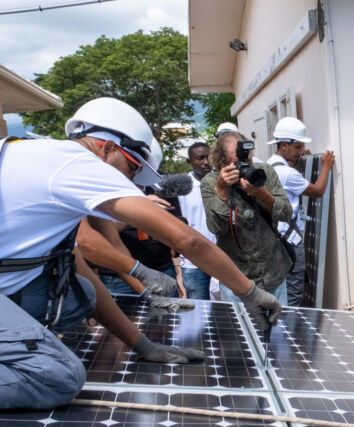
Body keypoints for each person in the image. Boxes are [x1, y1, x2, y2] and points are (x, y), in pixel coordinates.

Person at [0, 97, 281, 409]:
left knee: (83, 294)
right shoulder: (76, 163)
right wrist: (250, 292)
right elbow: (189, 241)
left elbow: (76, 262)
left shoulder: (37, 157)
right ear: (107, 148)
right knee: (58, 377)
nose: (130, 182)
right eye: (132, 168)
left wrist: (142, 344)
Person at [201, 131, 293, 305]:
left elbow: (286, 214)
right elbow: (216, 228)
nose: (245, 166)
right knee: (242, 331)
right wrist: (221, 191)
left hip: (273, 273)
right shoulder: (210, 182)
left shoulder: (265, 172)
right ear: (222, 164)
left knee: (279, 330)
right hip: (236, 280)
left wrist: (262, 194)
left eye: (248, 159)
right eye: (237, 163)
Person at [266, 117, 334, 306]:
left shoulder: (270, 165)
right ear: (285, 146)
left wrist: (297, 162)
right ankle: (290, 331)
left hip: (273, 240)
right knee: (294, 294)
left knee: (278, 292)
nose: (301, 152)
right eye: (297, 148)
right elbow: (318, 191)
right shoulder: (288, 174)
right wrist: (326, 167)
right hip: (291, 243)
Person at [177, 141, 216, 300]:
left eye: (209, 157)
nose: (206, 162)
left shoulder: (221, 182)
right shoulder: (183, 187)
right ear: (189, 161)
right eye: (200, 158)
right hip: (194, 262)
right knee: (200, 311)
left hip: (221, 257)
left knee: (225, 311)